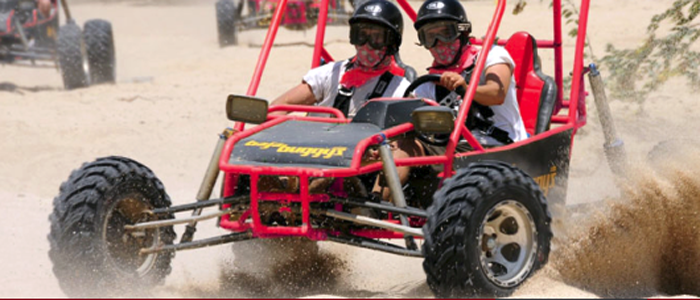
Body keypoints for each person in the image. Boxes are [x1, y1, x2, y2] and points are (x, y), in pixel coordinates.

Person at [370, 0, 528, 201]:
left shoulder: (491, 55)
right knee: (401, 149)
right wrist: (388, 146)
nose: (439, 43)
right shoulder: (426, 85)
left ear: (461, 32)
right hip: (455, 149)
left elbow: (497, 93)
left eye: (446, 33)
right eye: (430, 37)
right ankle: (375, 209)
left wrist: (465, 87)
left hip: (499, 148)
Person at [270, 0, 410, 118]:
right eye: (361, 35)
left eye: (377, 38)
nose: (367, 44)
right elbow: (277, 108)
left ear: (392, 43)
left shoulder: (400, 90)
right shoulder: (329, 75)